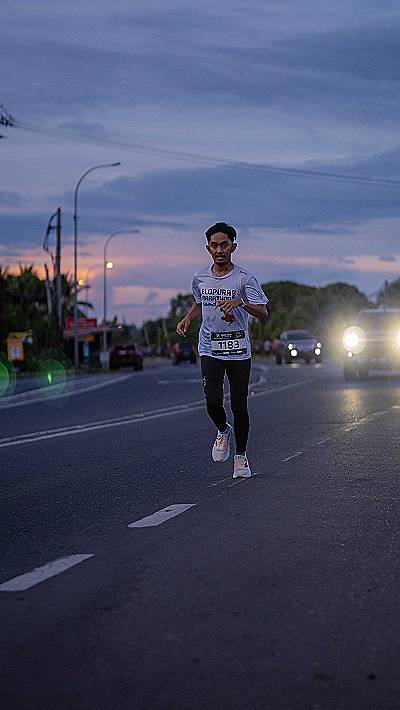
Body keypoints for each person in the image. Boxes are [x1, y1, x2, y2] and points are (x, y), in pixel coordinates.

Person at [176, 222, 269, 478]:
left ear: (233, 247)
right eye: (214, 245)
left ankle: (241, 457)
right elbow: (200, 302)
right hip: (210, 348)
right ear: (208, 248)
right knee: (212, 402)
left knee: (239, 406)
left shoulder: (245, 278)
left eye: (224, 245)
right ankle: (223, 430)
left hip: (238, 350)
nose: (219, 250)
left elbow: (263, 312)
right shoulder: (200, 277)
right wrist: (187, 319)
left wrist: (242, 302)